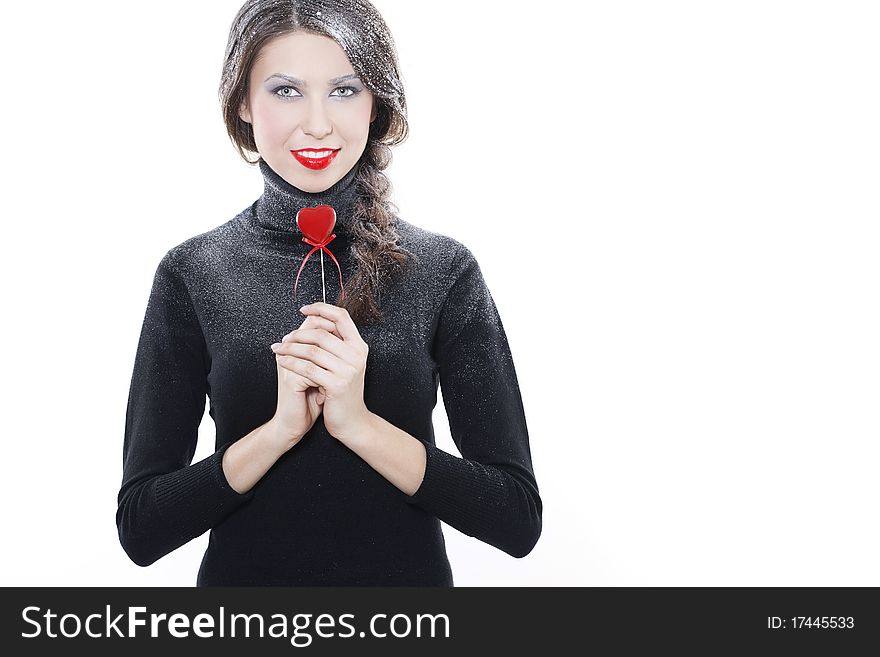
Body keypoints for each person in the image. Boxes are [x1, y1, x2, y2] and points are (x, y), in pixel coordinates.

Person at [116, 0, 541, 586]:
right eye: (286, 90)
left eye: (344, 90)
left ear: (375, 104)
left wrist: (359, 424)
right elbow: (142, 529)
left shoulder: (443, 269)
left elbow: (515, 519)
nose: (317, 123)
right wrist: (277, 433)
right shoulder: (193, 273)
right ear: (242, 101)